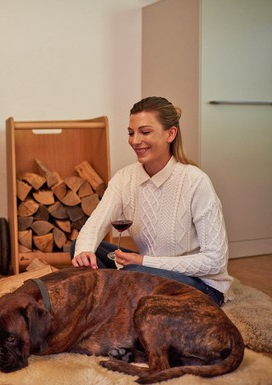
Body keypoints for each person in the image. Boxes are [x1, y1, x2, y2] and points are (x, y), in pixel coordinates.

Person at [70, 96, 232, 306]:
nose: (135, 140)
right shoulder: (125, 177)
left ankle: (108, 296)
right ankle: (116, 295)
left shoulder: (195, 181)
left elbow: (215, 261)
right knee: (79, 248)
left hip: (201, 285)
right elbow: (96, 222)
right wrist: (85, 250)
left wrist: (145, 262)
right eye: (131, 132)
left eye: (145, 132)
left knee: (131, 273)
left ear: (170, 134)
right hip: (147, 269)